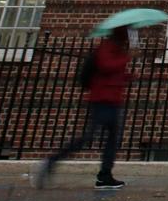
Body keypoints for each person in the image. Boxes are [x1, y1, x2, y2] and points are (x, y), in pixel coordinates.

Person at [37, 26, 132, 189]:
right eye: (128, 35)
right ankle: (51, 161)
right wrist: (128, 58)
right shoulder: (106, 47)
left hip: (113, 101)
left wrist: (128, 75)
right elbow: (106, 66)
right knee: (88, 137)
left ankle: (105, 176)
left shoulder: (117, 50)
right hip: (101, 100)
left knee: (113, 140)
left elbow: (114, 72)